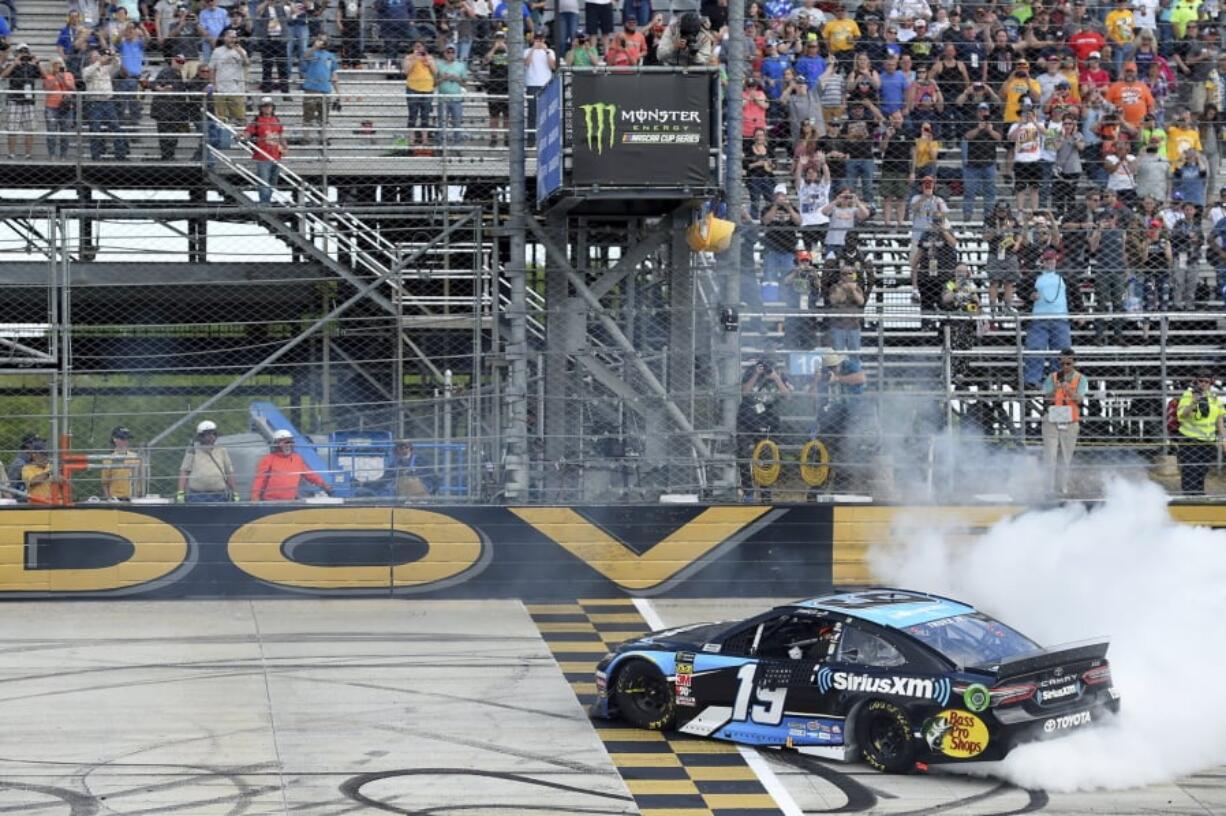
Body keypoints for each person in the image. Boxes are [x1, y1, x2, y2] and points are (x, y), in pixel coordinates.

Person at [737, 358, 793, 499]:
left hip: (768, 417)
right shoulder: (751, 372)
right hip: (748, 417)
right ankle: (748, 490)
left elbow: (787, 396)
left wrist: (775, 378)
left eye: (770, 367)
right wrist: (756, 374)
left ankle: (765, 492)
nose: (767, 370)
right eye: (765, 367)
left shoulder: (778, 375)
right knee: (743, 454)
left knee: (766, 455)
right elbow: (744, 392)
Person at [1041, 349, 1087, 496]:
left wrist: (1068, 390)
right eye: (1062, 363)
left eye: (1068, 363)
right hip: (1053, 418)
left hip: (1070, 419)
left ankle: (1062, 488)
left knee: (1065, 457)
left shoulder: (1081, 379)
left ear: (1074, 362)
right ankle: (1048, 488)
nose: (1065, 366)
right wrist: (1056, 389)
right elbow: (1046, 396)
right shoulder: (1053, 377)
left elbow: (1080, 399)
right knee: (1050, 455)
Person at [251, 429, 333, 501]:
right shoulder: (268, 459)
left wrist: (323, 485)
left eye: (289, 442)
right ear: (276, 444)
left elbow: (310, 475)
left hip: (290, 501)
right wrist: (255, 496)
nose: (287, 445)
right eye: (284, 442)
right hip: (271, 502)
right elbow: (260, 479)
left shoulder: (297, 459)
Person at [82, 48, 127, 160]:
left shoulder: (105, 69)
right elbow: (86, 76)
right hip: (94, 103)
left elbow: (117, 65)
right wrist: (99, 62)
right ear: (90, 59)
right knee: (95, 130)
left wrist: (114, 56)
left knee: (116, 127)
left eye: (98, 55)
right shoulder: (87, 69)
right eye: (95, 56)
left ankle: (120, 155)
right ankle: (96, 156)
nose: (98, 57)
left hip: (108, 102)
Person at [177, 419, 237, 502]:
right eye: (208, 434)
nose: (212, 436)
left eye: (214, 434)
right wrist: (181, 492)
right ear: (200, 436)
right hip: (197, 495)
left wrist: (234, 491)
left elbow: (229, 471)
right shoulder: (192, 450)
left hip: (219, 495)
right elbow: (184, 471)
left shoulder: (222, 450)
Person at [1, 45, 42, 160]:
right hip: (14, 100)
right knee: (12, 128)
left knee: (30, 129)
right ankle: (11, 153)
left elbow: (44, 76)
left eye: (25, 52)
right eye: (21, 52)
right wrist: (15, 62)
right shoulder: (11, 65)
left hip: (28, 101)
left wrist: (37, 63)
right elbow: (3, 76)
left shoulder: (32, 66)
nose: (24, 54)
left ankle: (28, 154)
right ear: (16, 53)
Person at [245, 96, 285, 204]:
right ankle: (265, 203)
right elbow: (248, 132)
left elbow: (280, 134)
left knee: (273, 182)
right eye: (265, 106)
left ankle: (266, 202)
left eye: (269, 106)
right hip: (262, 156)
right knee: (264, 182)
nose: (267, 108)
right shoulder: (257, 121)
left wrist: (285, 146)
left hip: (276, 155)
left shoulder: (276, 120)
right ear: (261, 108)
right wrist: (243, 136)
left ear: (273, 108)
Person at [300, 34, 339, 144]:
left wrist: (338, 92)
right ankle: (306, 137)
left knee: (324, 115)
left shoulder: (330, 56)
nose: (322, 42)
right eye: (319, 40)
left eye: (324, 40)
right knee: (308, 114)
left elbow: (334, 74)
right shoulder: (311, 52)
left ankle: (323, 137)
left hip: (325, 89)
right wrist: (314, 47)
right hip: (311, 88)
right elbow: (305, 57)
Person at [208, 27, 250, 126]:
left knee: (240, 117)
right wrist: (213, 85)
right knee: (221, 118)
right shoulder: (217, 51)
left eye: (235, 38)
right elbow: (212, 69)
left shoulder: (241, 51)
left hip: (237, 89)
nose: (233, 40)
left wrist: (241, 53)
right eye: (230, 37)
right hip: (221, 88)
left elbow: (247, 64)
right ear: (224, 38)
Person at [150, 54, 188, 160]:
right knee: (166, 135)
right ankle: (167, 156)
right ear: (172, 60)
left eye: (182, 62)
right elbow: (154, 84)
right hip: (164, 109)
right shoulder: (166, 71)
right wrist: (162, 89)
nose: (179, 64)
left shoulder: (179, 73)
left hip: (175, 109)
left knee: (172, 135)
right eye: (178, 61)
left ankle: (169, 155)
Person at [41, 56, 76, 160]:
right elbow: (47, 88)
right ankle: (52, 155)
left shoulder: (69, 75)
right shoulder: (48, 76)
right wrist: (56, 76)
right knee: (51, 132)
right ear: (51, 66)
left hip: (66, 107)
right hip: (51, 107)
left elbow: (73, 88)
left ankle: (63, 155)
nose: (58, 65)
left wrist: (63, 78)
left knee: (65, 132)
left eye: (60, 63)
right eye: (55, 63)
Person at [435, 43, 468, 144]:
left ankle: (457, 144)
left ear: (455, 53)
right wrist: (443, 78)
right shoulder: (438, 64)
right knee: (441, 123)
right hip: (442, 99)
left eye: (452, 52)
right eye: (448, 52)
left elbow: (464, 83)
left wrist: (456, 78)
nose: (450, 54)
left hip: (456, 99)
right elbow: (434, 82)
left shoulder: (461, 65)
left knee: (457, 123)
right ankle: (441, 144)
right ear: (444, 53)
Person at [100, 426, 142, 500]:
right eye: (122, 439)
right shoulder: (108, 459)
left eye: (127, 439)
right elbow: (105, 483)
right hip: (115, 498)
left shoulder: (135, 457)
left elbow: (140, 480)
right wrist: (109, 500)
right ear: (115, 439)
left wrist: (138, 496)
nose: (126, 441)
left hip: (133, 497)